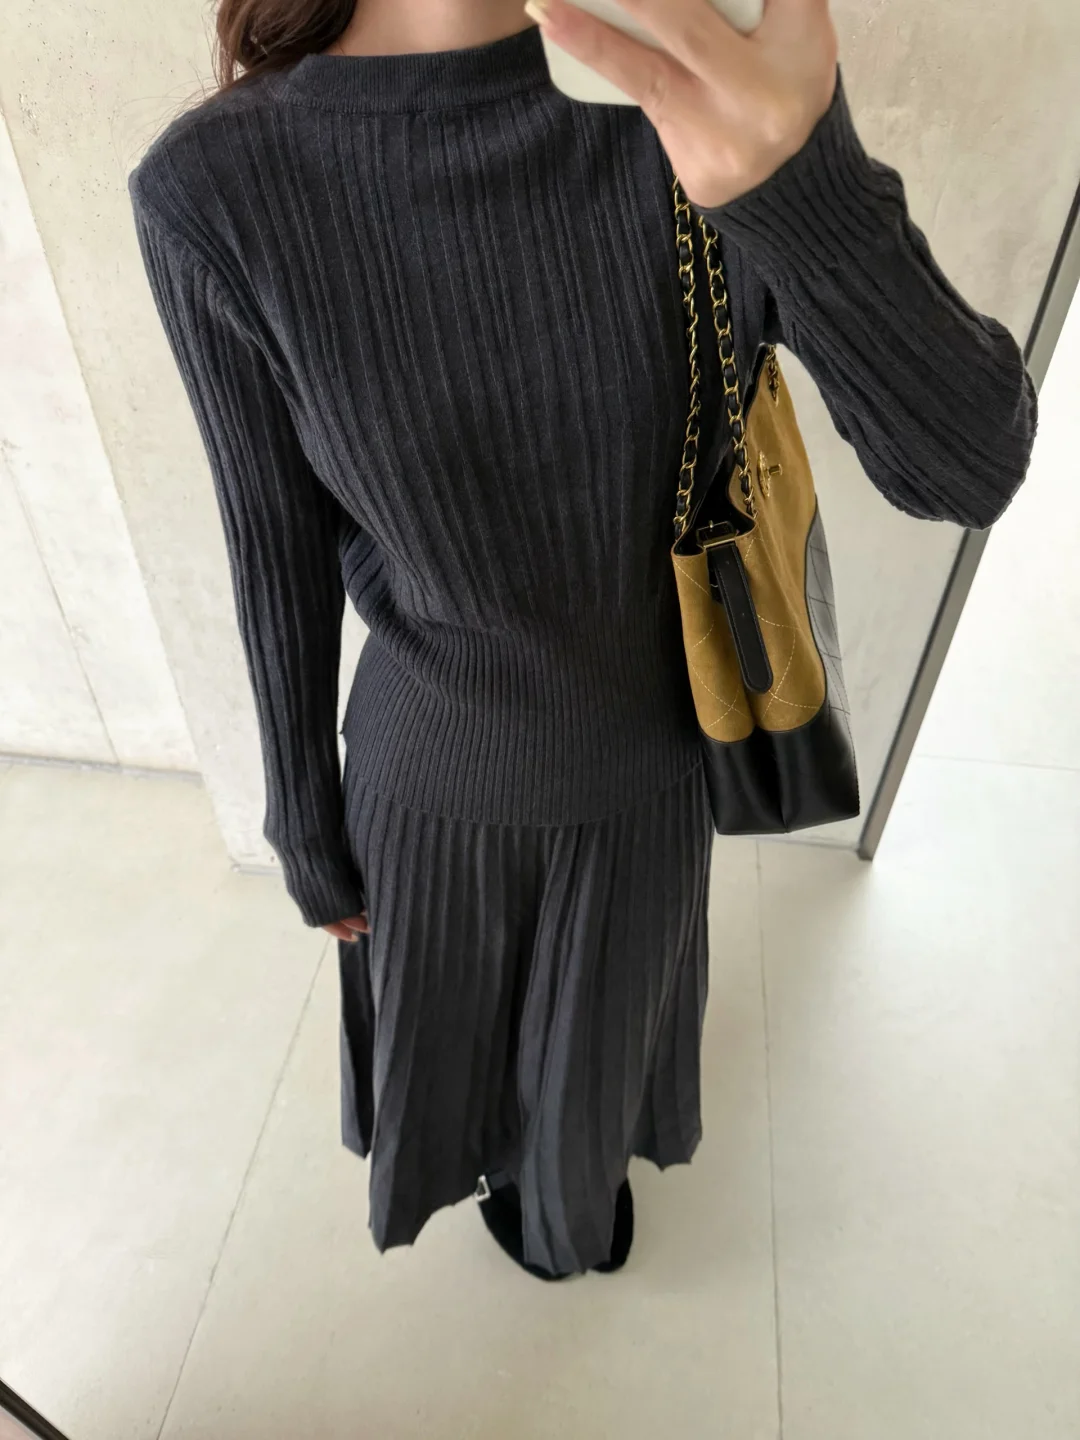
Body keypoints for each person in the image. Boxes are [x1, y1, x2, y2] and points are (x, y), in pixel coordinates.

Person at [129, 0, 1037, 1281]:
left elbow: (970, 467)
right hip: (427, 786)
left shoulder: (701, 96)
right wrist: (300, 817)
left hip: (650, 769)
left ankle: (561, 1203)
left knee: (595, 1067)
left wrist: (805, 187)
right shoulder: (214, 187)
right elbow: (271, 534)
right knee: (466, 1053)